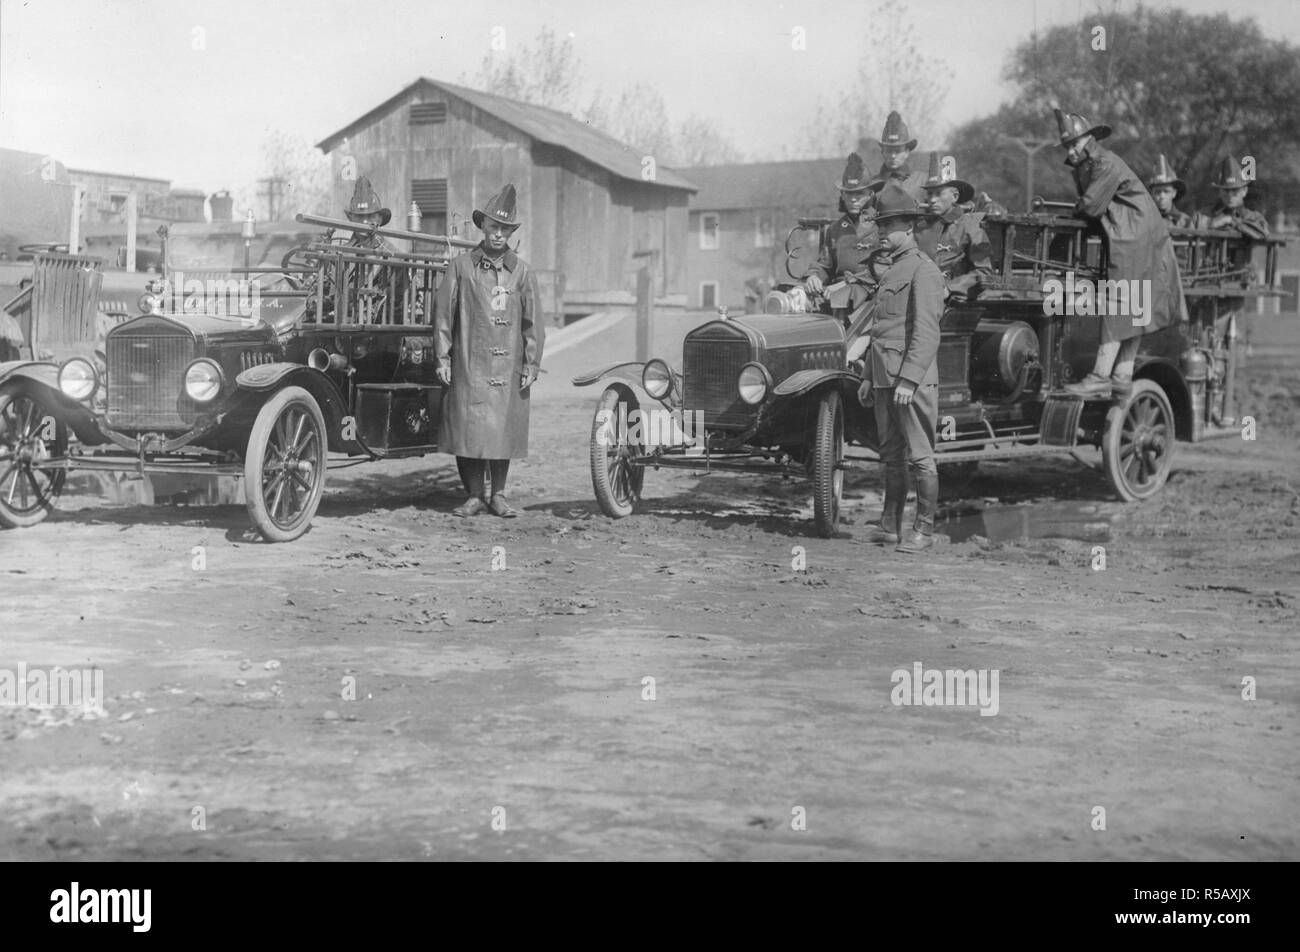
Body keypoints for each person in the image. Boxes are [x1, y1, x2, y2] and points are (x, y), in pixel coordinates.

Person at [1054, 109, 1187, 398]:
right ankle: (1122, 375)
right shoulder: (1088, 165)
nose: (1071, 149)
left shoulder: (1105, 162)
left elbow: (1090, 206)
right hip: (1134, 234)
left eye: (1075, 143)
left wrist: (1070, 214)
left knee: (1120, 302)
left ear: (1089, 139)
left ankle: (1101, 375)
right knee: (1134, 308)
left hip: (1135, 236)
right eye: (1067, 145)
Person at [434, 184, 544, 518]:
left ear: (511, 233)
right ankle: (473, 495)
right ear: (483, 227)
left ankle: (498, 494)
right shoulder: (461, 267)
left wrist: (531, 363)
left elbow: (533, 322)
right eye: (493, 227)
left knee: (501, 428)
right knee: (468, 428)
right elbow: (443, 316)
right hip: (468, 360)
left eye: (505, 229)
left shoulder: (522, 272)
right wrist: (442, 357)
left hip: (507, 365)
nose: (498, 235)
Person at [854, 183, 945, 554]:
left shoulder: (925, 271)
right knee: (891, 456)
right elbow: (881, 331)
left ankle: (923, 530)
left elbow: (926, 333)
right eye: (879, 226)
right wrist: (867, 377)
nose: (881, 234)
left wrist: (908, 379)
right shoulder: (892, 272)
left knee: (920, 456)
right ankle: (890, 527)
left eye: (887, 227)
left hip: (911, 382)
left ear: (908, 228)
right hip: (883, 379)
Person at [802, 153, 881, 325]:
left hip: (870, 299)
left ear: (870, 194)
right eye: (848, 193)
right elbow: (825, 264)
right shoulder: (835, 229)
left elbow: (884, 268)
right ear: (842, 196)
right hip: (835, 298)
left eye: (859, 194)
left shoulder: (880, 225)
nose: (853, 199)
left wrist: (846, 284)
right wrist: (814, 276)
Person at [916, 152, 993, 302]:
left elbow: (984, 272)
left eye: (939, 193)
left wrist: (950, 288)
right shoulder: (921, 227)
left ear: (955, 196)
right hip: (920, 295)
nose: (932, 200)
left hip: (955, 301)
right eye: (930, 193)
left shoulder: (970, 226)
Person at [1194, 155, 1269, 239]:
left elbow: (1264, 233)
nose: (1230, 196)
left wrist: (1233, 222)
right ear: (1220, 191)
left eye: (1235, 190)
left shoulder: (1255, 217)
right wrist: (1212, 224)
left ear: (1244, 191)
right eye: (1226, 190)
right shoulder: (1203, 215)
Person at [871, 111, 928, 203]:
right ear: (882, 152)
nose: (893, 156)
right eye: (889, 150)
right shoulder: (872, 185)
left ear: (907, 152)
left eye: (898, 151)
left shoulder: (922, 181)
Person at [1147, 154, 1192, 228]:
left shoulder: (1185, 222)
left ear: (1174, 193)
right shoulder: (1143, 221)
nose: (1162, 196)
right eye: (1158, 192)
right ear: (1152, 194)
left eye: (1166, 191)